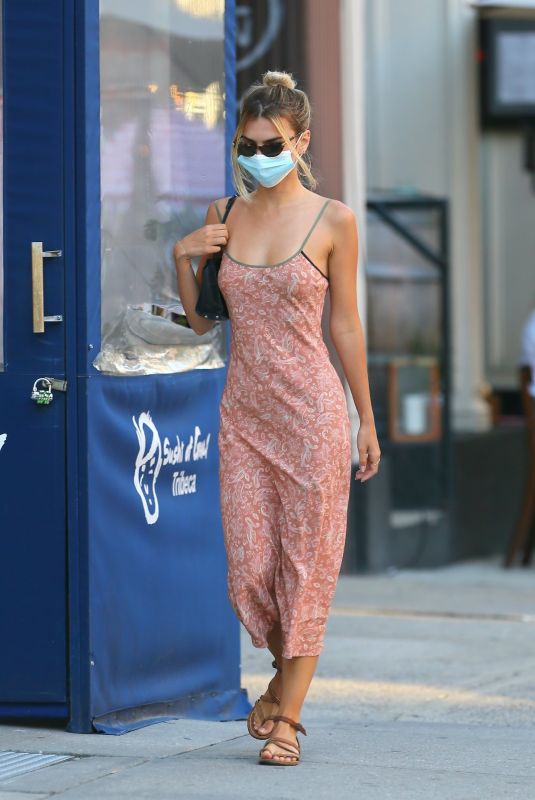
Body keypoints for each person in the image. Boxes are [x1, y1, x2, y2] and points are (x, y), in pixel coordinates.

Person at [174, 70, 380, 766]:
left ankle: (287, 719)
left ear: (301, 142)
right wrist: (183, 258)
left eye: (272, 143)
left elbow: (345, 326)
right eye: (247, 142)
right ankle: (279, 682)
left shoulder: (333, 220)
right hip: (245, 417)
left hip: (314, 413)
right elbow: (204, 321)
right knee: (251, 570)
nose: (258, 154)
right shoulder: (222, 213)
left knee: (306, 565)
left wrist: (365, 417)